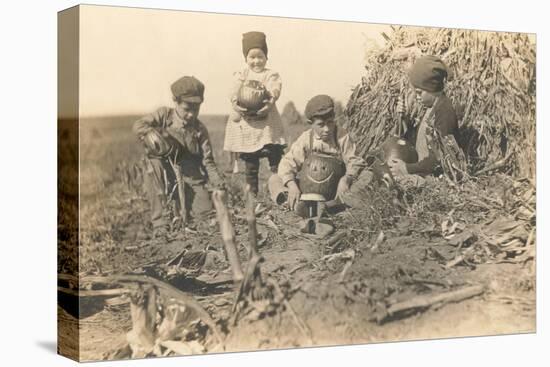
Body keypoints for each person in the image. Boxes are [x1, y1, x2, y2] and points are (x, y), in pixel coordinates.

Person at [133, 76, 224, 237]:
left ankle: (185, 211)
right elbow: (139, 125)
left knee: (205, 216)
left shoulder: (199, 129)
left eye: (196, 109)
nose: (191, 114)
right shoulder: (163, 115)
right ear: (175, 102)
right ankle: (160, 223)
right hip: (165, 174)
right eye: (186, 108)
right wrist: (156, 135)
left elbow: (208, 161)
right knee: (153, 166)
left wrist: (218, 183)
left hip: (191, 177)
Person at [274, 94, 366, 214]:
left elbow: (354, 161)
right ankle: (294, 202)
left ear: (334, 119)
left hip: (335, 190)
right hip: (308, 190)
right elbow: (288, 162)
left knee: (366, 176)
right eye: (321, 125)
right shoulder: (306, 138)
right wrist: (291, 185)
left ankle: (332, 205)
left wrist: (346, 179)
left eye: (330, 122)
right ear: (310, 123)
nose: (327, 129)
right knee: (274, 179)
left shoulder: (342, 136)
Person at [223, 31, 286, 196]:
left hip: (266, 122)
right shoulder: (242, 74)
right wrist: (235, 102)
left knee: (275, 156)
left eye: (260, 56)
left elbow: (275, 87)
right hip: (248, 123)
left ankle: (279, 188)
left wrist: (271, 100)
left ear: (266, 57)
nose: (256, 61)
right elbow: (233, 89)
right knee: (251, 162)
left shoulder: (270, 74)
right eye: (252, 57)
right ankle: (252, 195)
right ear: (246, 59)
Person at [388, 55, 460, 183]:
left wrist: (407, 168)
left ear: (431, 89)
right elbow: (417, 141)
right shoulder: (430, 109)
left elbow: (440, 158)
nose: (417, 97)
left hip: (436, 179)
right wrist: (403, 119)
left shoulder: (444, 112)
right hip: (423, 172)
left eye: (419, 92)